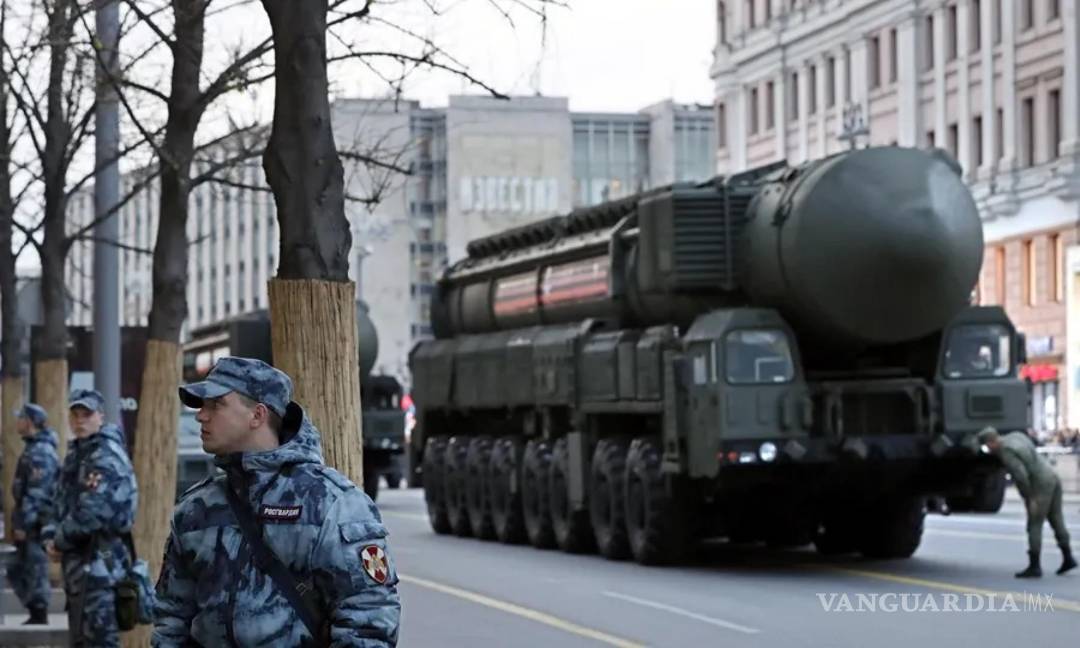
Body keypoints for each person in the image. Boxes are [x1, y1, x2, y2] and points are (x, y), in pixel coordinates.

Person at [153, 357, 400, 647]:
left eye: (216, 405)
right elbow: (171, 618)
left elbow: (368, 619)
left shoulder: (332, 503)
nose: (201, 416)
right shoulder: (196, 509)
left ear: (257, 415)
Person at [42, 389, 138, 647]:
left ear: (101, 417)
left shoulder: (104, 455)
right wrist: (49, 535)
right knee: (82, 638)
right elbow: (58, 500)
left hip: (100, 565)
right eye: (75, 414)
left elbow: (93, 513)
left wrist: (58, 541)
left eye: (87, 414)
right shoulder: (78, 454)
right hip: (81, 564)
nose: (80, 420)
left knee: (99, 639)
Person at [977, 426, 1077, 578]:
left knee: (1034, 524)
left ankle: (1035, 565)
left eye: (987, 447)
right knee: (1056, 518)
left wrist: (1029, 497)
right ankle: (1068, 556)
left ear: (991, 442)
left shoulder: (1006, 451)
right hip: (1051, 475)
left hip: (1039, 484)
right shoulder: (1016, 436)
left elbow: (1020, 475)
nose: (989, 451)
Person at [7, 403, 60, 624]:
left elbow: (36, 493)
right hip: (31, 521)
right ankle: (36, 609)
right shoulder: (34, 448)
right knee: (18, 567)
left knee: (33, 567)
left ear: (29, 422)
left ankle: (39, 612)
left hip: (36, 524)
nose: (17, 422)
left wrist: (23, 525)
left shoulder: (40, 452)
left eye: (20, 418)